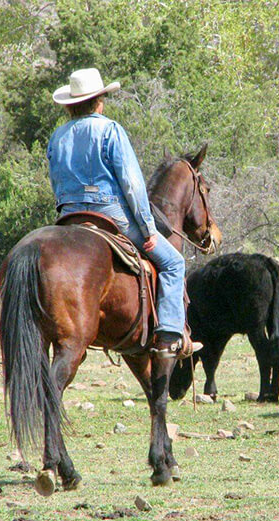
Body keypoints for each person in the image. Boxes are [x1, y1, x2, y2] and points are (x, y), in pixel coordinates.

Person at [47, 68, 189, 355]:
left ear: (70, 105)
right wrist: (148, 229)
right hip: (111, 216)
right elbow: (132, 184)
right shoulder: (110, 130)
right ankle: (169, 335)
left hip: (68, 217)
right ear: (98, 101)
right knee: (174, 263)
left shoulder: (57, 137)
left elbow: (56, 182)